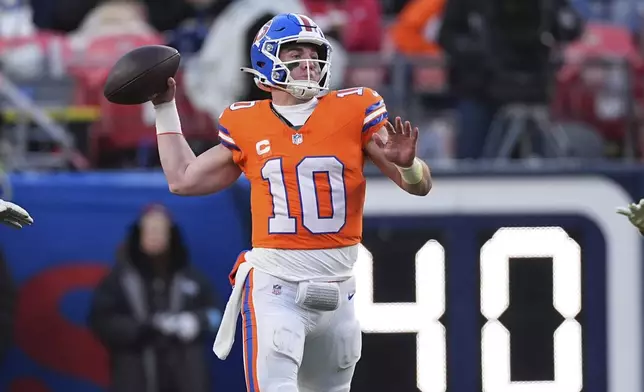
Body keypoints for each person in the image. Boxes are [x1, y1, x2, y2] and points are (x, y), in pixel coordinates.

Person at [150, 12, 432, 392]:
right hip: (276, 288)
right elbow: (183, 179)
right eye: (295, 52)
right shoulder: (245, 121)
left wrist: (410, 165)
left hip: (340, 291)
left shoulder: (354, 109)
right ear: (267, 59)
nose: (308, 62)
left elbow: (418, 186)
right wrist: (164, 107)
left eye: (313, 53)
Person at [88, 204, 222, 392]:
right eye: (149, 230)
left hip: (186, 379)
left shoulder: (192, 278)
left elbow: (219, 316)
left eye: (161, 230)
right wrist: (148, 327)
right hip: (135, 378)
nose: (155, 236)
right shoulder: (119, 280)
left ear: (171, 235)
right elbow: (102, 322)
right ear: (139, 234)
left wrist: (197, 321)